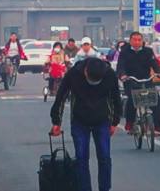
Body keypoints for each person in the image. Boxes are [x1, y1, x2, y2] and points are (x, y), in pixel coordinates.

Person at [50, 57, 121, 191]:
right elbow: (61, 97)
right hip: (79, 121)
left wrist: (114, 122)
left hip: (102, 120)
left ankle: (105, 188)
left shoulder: (109, 74)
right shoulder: (73, 74)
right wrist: (56, 121)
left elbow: (116, 98)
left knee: (105, 157)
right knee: (81, 158)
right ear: (86, 71)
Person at [116, 32, 160, 137]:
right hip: (131, 80)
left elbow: (154, 63)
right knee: (131, 99)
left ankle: (158, 126)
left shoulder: (148, 51)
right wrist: (123, 75)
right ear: (130, 41)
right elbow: (120, 66)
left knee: (157, 99)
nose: (137, 42)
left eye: (139, 40)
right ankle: (130, 123)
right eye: (134, 40)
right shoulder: (124, 52)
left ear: (142, 41)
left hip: (146, 80)